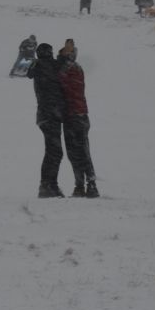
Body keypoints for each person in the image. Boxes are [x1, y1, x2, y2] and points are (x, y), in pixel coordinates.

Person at [57, 42, 98, 198]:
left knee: (77, 152)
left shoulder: (68, 69)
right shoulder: (76, 68)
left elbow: (65, 86)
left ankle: (86, 185)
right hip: (79, 114)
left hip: (74, 115)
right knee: (80, 151)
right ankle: (84, 184)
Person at [29, 43, 66, 198]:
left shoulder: (38, 66)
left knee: (53, 151)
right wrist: (64, 56)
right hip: (51, 114)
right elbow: (60, 66)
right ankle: (47, 185)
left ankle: (50, 185)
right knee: (54, 151)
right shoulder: (47, 65)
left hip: (46, 115)